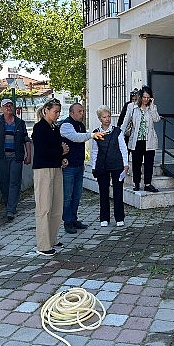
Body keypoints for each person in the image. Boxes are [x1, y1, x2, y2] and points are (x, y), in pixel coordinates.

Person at [59, 102, 106, 234]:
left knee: (77, 195)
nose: (82, 113)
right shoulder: (66, 125)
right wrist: (91, 135)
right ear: (71, 112)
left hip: (79, 165)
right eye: (79, 111)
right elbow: (75, 138)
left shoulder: (80, 125)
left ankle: (74, 219)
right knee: (67, 196)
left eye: (83, 111)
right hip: (68, 167)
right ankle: (67, 222)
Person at [31, 98, 70, 256]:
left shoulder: (55, 128)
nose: (57, 114)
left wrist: (62, 158)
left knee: (56, 206)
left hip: (56, 168)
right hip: (43, 170)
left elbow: (57, 148)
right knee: (44, 207)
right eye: (55, 112)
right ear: (46, 110)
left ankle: (52, 239)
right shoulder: (39, 128)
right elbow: (43, 151)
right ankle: (43, 245)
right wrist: (61, 151)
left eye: (59, 112)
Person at [0, 98, 32, 221]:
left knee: (15, 182)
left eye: (10, 106)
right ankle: (8, 204)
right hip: (1, 157)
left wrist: (28, 155)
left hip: (16, 157)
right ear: (2, 108)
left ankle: (11, 209)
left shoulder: (20, 123)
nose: (8, 108)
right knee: (4, 182)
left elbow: (26, 140)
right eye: (6, 106)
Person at [91, 105, 129, 227]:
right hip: (102, 166)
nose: (107, 119)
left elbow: (123, 148)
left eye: (108, 116)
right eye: (104, 117)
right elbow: (94, 151)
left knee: (118, 191)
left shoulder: (117, 131)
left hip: (117, 165)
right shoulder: (96, 133)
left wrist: (125, 164)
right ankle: (104, 218)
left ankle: (119, 217)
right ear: (100, 118)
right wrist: (93, 166)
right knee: (103, 191)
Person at [120, 85, 161, 192]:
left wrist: (152, 106)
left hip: (149, 140)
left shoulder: (152, 107)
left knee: (149, 163)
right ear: (140, 97)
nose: (146, 100)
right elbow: (125, 123)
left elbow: (156, 119)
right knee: (136, 163)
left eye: (148, 97)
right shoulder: (132, 107)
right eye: (144, 97)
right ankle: (136, 183)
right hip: (136, 140)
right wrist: (119, 136)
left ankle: (147, 184)